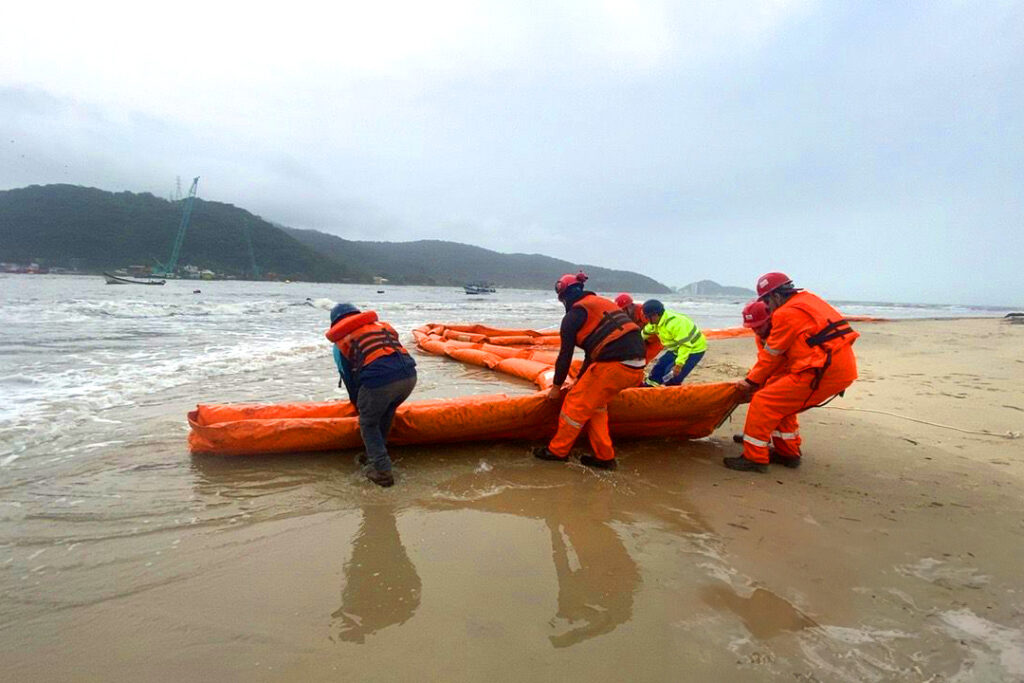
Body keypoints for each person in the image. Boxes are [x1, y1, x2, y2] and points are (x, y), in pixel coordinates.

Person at [725, 273, 859, 473]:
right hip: (830, 366)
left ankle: (755, 459)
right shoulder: (806, 301)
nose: (756, 331)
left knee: (763, 401)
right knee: (779, 401)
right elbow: (772, 365)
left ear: (775, 297)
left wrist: (750, 383)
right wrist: (758, 381)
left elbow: (771, 358)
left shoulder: (785, 314)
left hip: (822, 370)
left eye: (768, 302)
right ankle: (788, 453)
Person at [532, 272, 647, 470]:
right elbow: (593, 352)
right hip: (636, 366)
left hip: (614, 365)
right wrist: (581, 378)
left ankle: (557, 451)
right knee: (596, 407)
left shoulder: (573, 316)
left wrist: (556, 387)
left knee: (574, 403)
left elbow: (565, 355)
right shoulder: (601, 303)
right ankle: (604, 457)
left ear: (563, 295)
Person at [326, 303, 417, 487]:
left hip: (380, 381)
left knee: (368, 422)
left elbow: (348, 377)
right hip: (409, 376)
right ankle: (374, 455)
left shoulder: (342, 338)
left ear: (335, 323)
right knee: (386, 411)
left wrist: (358, 404)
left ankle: (382, 471)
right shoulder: (380, 327)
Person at [639, 300, 707, 386]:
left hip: (693, 349)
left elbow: (685, 346)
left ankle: (671, 390)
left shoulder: (675, 324)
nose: (647, 320)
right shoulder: (656, 322)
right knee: (658, 369)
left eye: (647, 317)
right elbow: (645, 332)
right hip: (676, 349)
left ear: (655, 315)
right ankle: (649, 387)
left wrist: (679, 365)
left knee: (671, 375)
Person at [615, 293, 663, 363]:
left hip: (654, 340)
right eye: (621, 310)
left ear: (630, 306)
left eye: (624, 309)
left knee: (643, 361)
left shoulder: (643, 312)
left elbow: (655, 328)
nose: (623, 312)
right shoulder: (625, 315)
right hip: (640, 339)